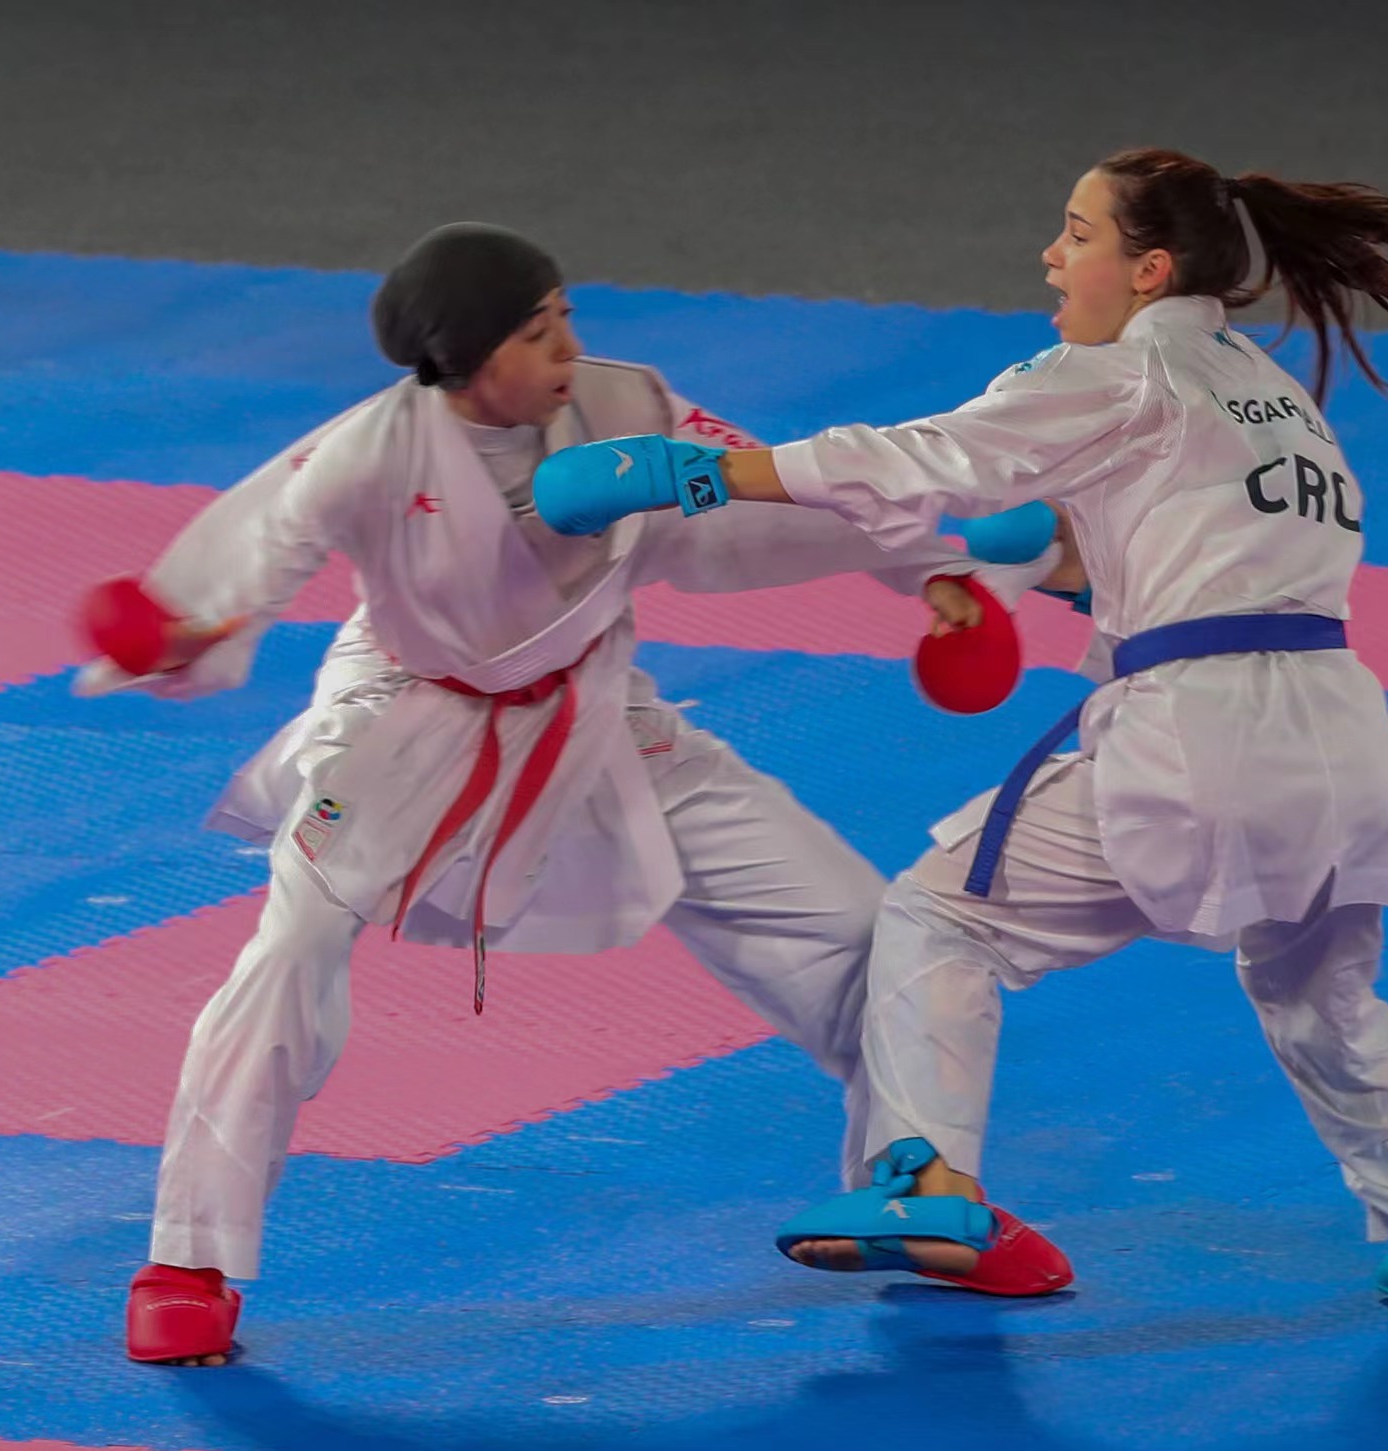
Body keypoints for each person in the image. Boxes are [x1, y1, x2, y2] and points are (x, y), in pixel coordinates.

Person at [529, 150, 1388, 1315]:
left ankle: (926, 1181)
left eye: (1077, 233)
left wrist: (693, 475)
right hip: (1344, 748)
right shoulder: (1266, 393)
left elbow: (924, 457)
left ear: (1147, 271)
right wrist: (1035, 564)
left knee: (936, 916)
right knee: (1323, 1003)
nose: (1051, 257)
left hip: (1201, 737)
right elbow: (1186, 554)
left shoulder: (1115, 371)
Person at [76, 223, 1055, 1364]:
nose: (567, 350)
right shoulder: (367, 456)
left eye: (566, 319)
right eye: (538, 334)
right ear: (464, 359)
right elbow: (258, 547)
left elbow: (763, 495)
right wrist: (186, 627)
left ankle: (918, 1194)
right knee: (289, 948)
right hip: (403, 717)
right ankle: (186, 1260)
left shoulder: (625, 402)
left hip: (595, 706)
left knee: (859, 932)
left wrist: (928, 566)